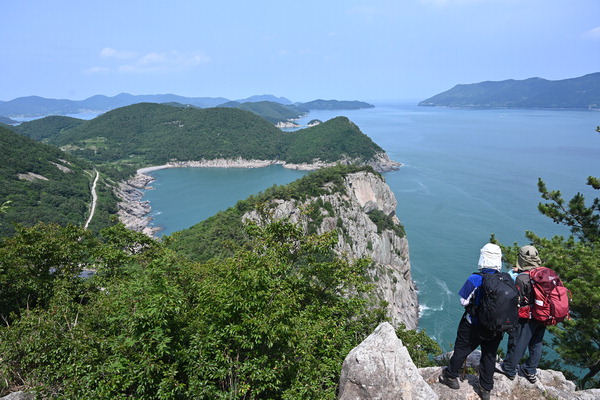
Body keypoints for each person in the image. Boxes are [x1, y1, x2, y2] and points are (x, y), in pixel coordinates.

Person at [438, 243, 505, 400]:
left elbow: (463, 301)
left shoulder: (475, 278)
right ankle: (486, 389)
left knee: (461, 350)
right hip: (495, 328)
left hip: (473, 325)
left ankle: (451, 377)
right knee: (489, 356)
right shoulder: (505, 279)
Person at [497, 245, 545, 383]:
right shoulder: (543, 273)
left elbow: (515, 297)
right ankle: (530, 370)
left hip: (527, 316)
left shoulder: (521, 279)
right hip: (542, 315)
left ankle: (509, 369)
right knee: (536, 343)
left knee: (518, 342)